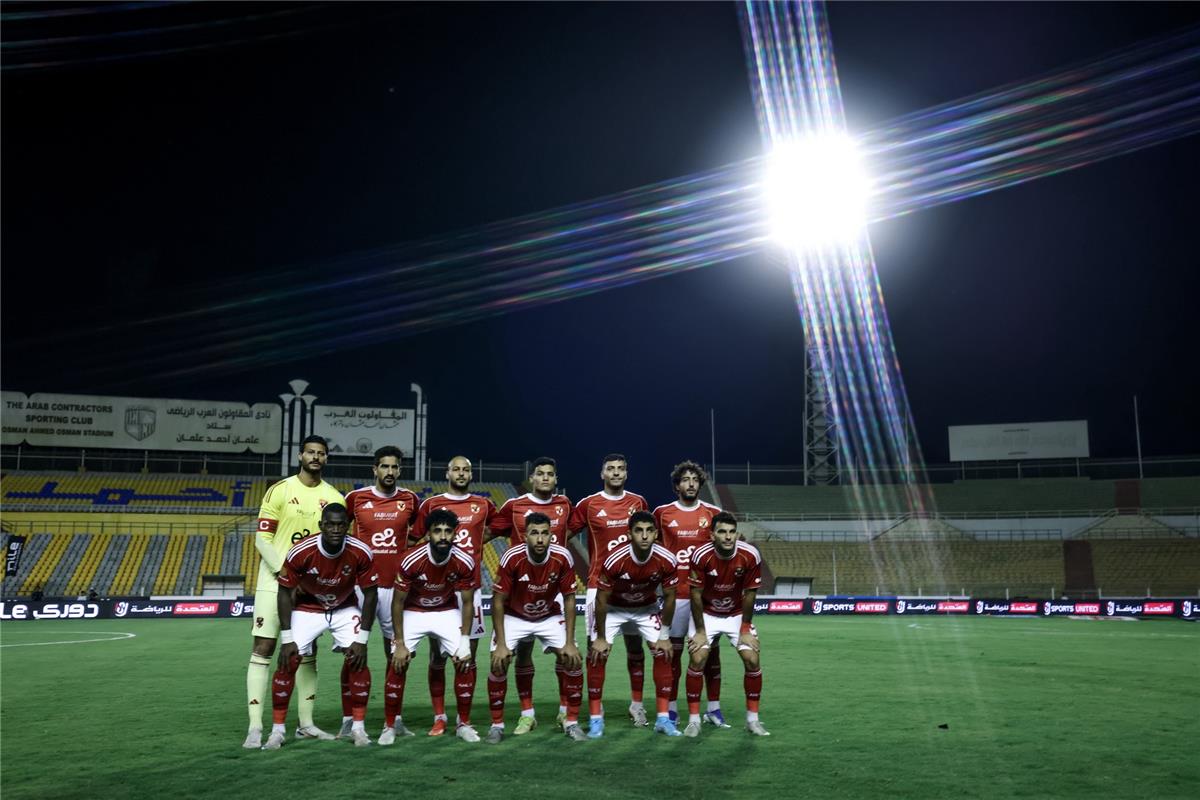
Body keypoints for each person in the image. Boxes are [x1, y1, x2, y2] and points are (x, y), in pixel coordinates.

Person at [244, 435, 345, 749]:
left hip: (309, 587)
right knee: (264, 647)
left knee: (306, 652)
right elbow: (263, 539)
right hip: (275, 581)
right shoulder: (280, 490)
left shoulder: (333, 496)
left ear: (326, 459)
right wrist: (285, 570)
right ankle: (255, 727)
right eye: (310, 452)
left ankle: (306, 724)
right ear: (300, 455)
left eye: (321, 454)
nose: (315, 457)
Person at [264, 503, 378, 749]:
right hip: (309, 608)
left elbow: (370, 595)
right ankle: (278, 731)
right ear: (321, 526)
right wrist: (286, 638)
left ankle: (357, 729)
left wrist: (363, 638)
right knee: (288, 659)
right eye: (330, 524)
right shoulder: (301, 552)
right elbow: (284, 593)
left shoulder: (361, 551)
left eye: (341, 525)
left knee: (358, 659)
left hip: (344, 607)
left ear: (348, 527)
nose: (336, 529)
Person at [413, 455, 499, 736]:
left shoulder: (483, 505)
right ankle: (440, 717)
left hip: (469, 591)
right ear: (447, 472)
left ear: (471, 474)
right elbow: (414, 537)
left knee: (467, 657)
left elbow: (498, 528)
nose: (461, 473)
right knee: (437, 657)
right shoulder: (431, 504)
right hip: (437, 592)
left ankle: (464, 720)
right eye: (456, 469)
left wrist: (476, 544)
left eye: (466, 470)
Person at [488, 457, 575, 733]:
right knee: (521, 653)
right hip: (519, 589)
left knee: (567, 656)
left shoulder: (564, 505)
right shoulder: (514, 505)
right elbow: (492, 531)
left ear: (556, 479)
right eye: (540, 474)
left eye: (551, 474)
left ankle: (565, 713)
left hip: (552, 586)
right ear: (532, 478)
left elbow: (570, 533)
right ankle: (527, 714)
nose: (546, 478)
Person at [341, 445, 421, 740]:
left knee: (397, 654)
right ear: (374, 469)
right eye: (384, 467)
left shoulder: (410, 500)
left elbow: (417, 535)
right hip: (361, 589)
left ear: (400, 470)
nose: (389, 472)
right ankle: (348, 719)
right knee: (353, 653)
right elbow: (336, 531)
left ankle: (395, 719)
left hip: (395, 588)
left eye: (394, 467)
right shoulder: (355, 498)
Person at [568, 453, 652, 726]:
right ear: (602, 473)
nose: (616, 473)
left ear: (626, 474)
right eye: (611, 469)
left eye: (620, 469)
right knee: (597, 650)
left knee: (635, 646)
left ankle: (637, 705)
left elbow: (648, 536)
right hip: (598, 587)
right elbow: (562, 534)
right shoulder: (589, 504)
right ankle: (596, 711)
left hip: (636, 586)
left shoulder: (638, 502)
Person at [486, 512, 584, 743]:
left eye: (544, 533)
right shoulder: (512, 557)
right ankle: (498, 725)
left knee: (573, 658)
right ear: (524, 535)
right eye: (534, 533)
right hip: (514, 616)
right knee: (498, 662)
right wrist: (500, 644)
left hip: (547, 615)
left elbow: (569, 598)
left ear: (552, 535)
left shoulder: (562, 557)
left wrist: (570, 642)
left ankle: (570, 721)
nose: (540, 539)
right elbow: (497, 601)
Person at [386, 508, 481, 743]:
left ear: (455, 535)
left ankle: (463, 723)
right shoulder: (411, 559)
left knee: (464, 661)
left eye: (448, 531)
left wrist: (465, 641)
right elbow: (397, 603)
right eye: (437, 531)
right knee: (398, 661)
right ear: (428, 534)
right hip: (413, 612)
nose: (443, 536)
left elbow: (467, 603)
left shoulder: (465, 560)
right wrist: (399, 643)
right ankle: (389, 726)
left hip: (445, 611)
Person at [586, 511, 680, 738]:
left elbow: (669, 597)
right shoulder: (615, 559)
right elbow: (601, 598)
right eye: (639, 530)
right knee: (597, 654)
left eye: (649, 530)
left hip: (645, 608)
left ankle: (663, 719)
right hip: (613, 609)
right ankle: (595, 720)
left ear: (656, 534)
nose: (644, 535)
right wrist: (599, 637)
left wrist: (665, 635)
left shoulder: (667, 559)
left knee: (663, 652)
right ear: (629, 534)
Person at [653, 460, 727, 726]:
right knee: (671, 654)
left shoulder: (713, 513)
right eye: (685, 479)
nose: (691, 483)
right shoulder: (662, 513)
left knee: (710, 653)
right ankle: (671, 709)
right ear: (677, 486)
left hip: (704, 597)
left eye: (695, 479)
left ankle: (714, 709)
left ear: (701, 483)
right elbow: (654, 550)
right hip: (675, 595)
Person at [684, 512, 770, 737]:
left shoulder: (750, 555)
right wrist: (701, 632)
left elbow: (750, 594)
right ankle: (694, 721)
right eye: (722, 532)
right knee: (698, 657)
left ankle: (753, 720)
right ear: (712, 535)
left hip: (736, 614)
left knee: (752, 659)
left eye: (732, 532)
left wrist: (744, 628)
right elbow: (695, 595)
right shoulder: (700, 555)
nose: (728, 536)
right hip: (707, 614)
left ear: (737, 534)